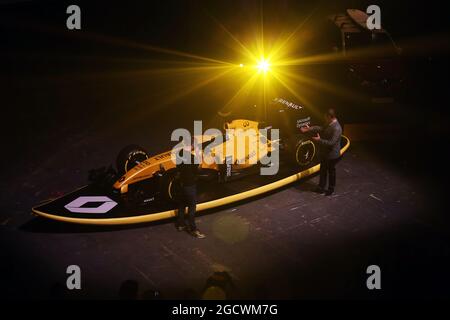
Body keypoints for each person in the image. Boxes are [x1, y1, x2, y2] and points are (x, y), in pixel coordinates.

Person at [300, 108, 342, 196]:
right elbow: (321, 128)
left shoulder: (337, 128)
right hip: (325, 153)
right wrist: (309, 129)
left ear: (330, 117)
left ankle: (331, 189)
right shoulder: (330, 123)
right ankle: (321, 187)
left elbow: (331, 143)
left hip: (332, 155)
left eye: (325, 117)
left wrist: (319, 140)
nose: (324, 118)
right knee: (323, 171)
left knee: (331, 172)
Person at [175, 141, 206, 239]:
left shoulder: (179, 153)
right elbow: (197, 171)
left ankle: (180, 225)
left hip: (181, 185)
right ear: (192, 146)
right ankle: (193, 230)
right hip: (190, 186)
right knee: (192, 208)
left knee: (181, 205)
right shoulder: (193, 157)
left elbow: (178, 167)